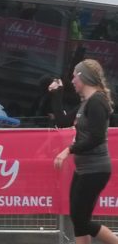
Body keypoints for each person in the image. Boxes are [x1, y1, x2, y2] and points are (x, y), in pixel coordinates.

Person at [50, 59, 118, 244]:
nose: (72, 81)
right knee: (78, 220)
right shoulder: (86, 102)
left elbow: (95, 138)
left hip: (96, 170)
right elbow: (63, 122)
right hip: (84, 170)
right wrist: (57, 94)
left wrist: (68, 150)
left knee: (80, 219)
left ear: (84, 78)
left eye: (74, 77)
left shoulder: (97, 101)